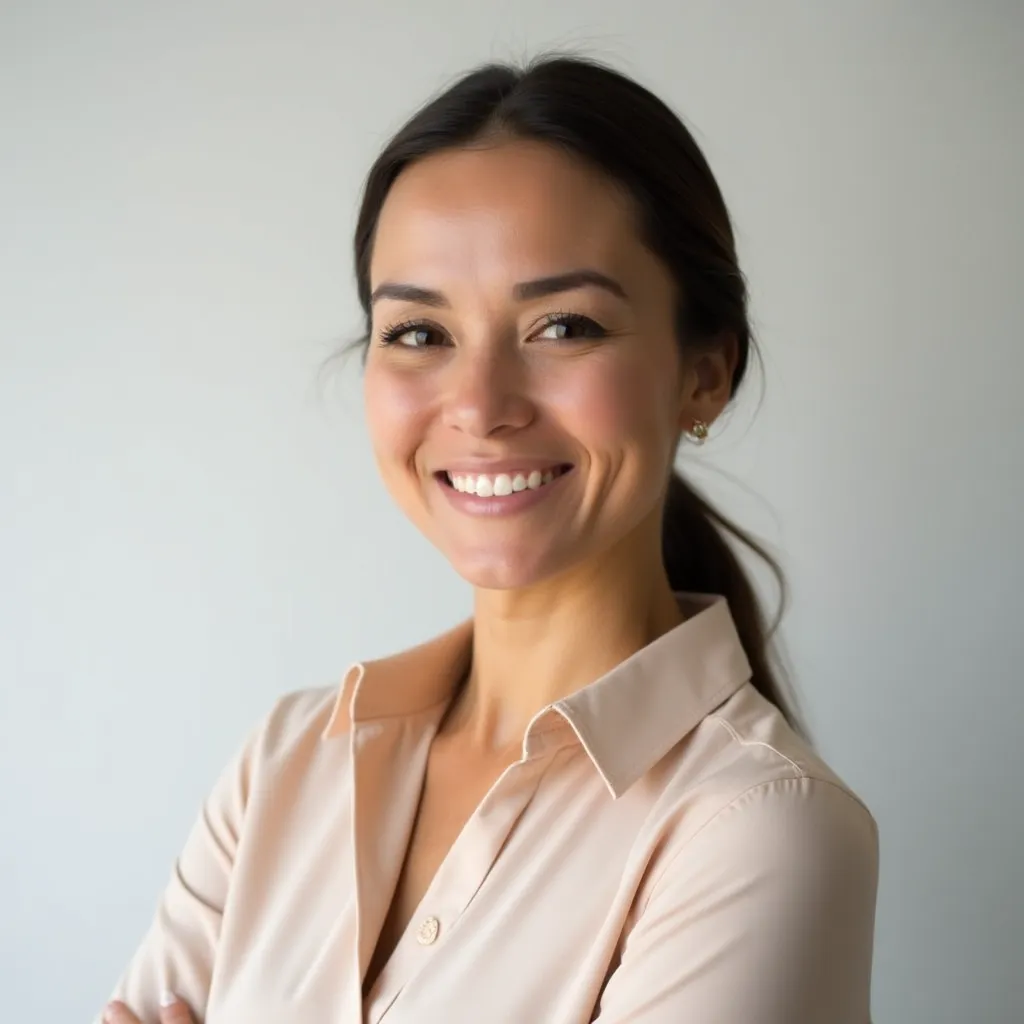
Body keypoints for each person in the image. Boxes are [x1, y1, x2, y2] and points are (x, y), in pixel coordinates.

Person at [99, 54, 879, 1024]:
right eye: (421, 333)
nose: (478, 406)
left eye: (562, 325)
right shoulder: (285, 763)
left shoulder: (761, 830)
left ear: (703, 373)